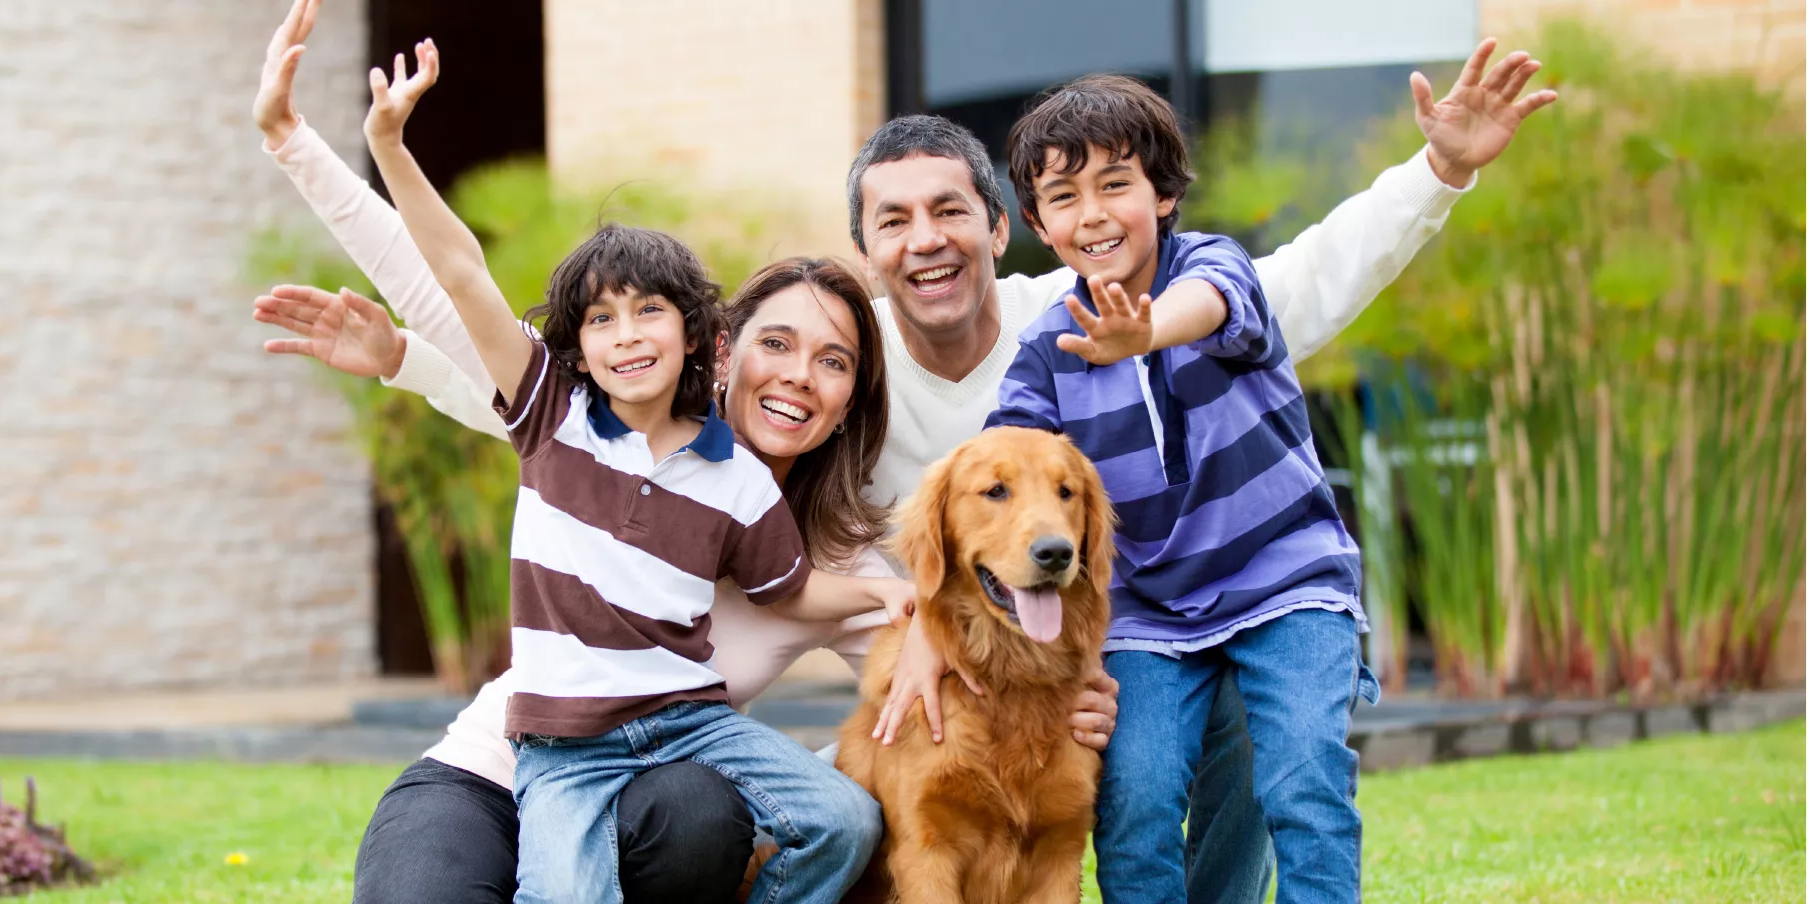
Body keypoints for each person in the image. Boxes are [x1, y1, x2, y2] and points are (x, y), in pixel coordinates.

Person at [248, 1, 1555, 898]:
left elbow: (1293, 290)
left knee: (737, 814)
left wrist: (1434, 177)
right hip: (501, 760)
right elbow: (457, 315)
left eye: (828, 360)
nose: (799, 375)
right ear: (728, 345)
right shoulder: (646, 423)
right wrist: (303, 150)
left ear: (1001, 229)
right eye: (774, 348)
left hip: (667, 782)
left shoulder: (1061, 328)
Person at [355, 35, 919, 904]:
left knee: (844, 822)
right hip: (563, 746)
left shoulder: (734, 476)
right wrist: (390, 146)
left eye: (649, 312)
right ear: (575, 346)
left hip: (688, 727)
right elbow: (461, 273)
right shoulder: (551, 416)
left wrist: (890, 596)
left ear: (696, 335)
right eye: (601, 321)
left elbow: (792, 591)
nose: (626, 335)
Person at [984, 73, 1363, 902]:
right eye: (1063, 196)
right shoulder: (1048, 350)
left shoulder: (1209, 266)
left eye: (1115, 184)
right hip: (1148, 611)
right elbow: (1000, 463)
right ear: (1042, 229)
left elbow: (1209, 301)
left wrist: (1145, 330)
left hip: (1286, 578)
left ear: (1162, 194)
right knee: (1138, 800)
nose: (1092, 213)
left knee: (1304, 775)